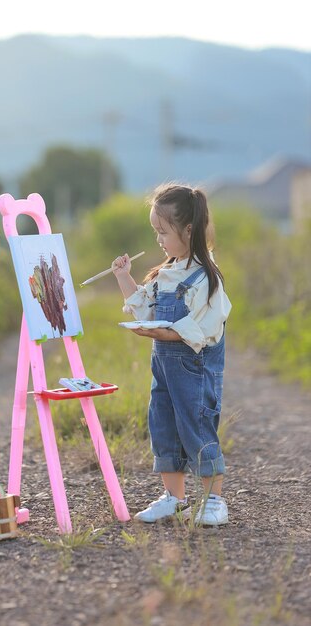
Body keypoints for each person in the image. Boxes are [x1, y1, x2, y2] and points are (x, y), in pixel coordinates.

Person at [112, 183, 232, 526]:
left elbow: (202, 331)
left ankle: (213, 501)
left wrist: (162, 332)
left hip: (193, 371)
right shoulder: (165, 273)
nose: (159, 240)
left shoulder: (205, 280)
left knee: (196, 426)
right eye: (155, 233)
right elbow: (146, 312)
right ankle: (174, 497)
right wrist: (124, 277)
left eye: (163, 232)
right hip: (164, 371)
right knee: (163, 424)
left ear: (189, 230)